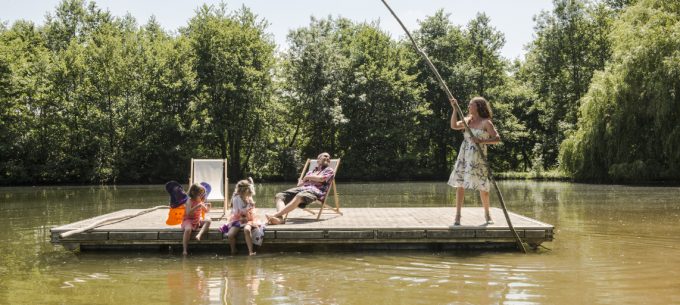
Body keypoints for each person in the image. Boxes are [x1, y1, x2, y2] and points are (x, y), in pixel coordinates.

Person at [448, 96, 501, 226]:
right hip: (465, 155)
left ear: (478, 107)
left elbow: (497, 138)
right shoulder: (467, 121)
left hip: (478, 157)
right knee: (460, 185)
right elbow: (454, 126)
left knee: (483, 187)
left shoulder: (486, 122)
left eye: (471, 105)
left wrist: (482, 141)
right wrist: (454, 109)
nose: (468, 107)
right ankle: (458, 216)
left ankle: (487, 215)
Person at [266, 152, 335, 225]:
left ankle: (275, 215)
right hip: (303, 189)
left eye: (329, 157)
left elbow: (322, 179)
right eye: (325, 156)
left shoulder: (329, 170)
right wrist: (301, 182)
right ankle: (280, 219)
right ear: (318, 160)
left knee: (300, 196)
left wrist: (307, 177)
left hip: (315, 191)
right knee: (279, 196)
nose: (328, 158)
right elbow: (301, 184)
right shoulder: (311, 172)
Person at [219, 178, 263, 256]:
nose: (248, 192)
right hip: (238, 218)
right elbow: (236, 212)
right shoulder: (236, 198)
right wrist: (243, 215)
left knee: (246, 230)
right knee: (230, 235)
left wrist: (250, 206)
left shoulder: (248, 197)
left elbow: (251, 209)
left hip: (249, 217)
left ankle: (250, 251)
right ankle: (233, 250)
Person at [182, 183, 212, 255]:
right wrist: (197, 206)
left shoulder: (200, 201)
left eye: (202, 194)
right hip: (188, 220)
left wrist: (209, 206)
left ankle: (199, 235)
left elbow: (206, 211)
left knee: (208, 220)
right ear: (193, 193)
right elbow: (188, 213)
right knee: (188, 229)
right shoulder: (189, 201)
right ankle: (185, 249)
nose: (201, 195)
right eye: (200, 193)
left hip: (197, 220)